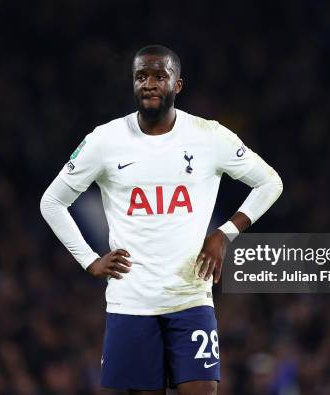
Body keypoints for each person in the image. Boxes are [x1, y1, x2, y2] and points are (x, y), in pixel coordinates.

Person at [40, 44, 283, 395]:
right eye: (141, 76)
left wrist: (225, 234)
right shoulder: (105, 140)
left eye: (159, 76)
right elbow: (52, 201)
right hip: (132, 303)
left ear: (177, 85)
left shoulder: (208, 136)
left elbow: (269, 182)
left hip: (191, 298)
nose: (149, 83)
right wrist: (89, 260)